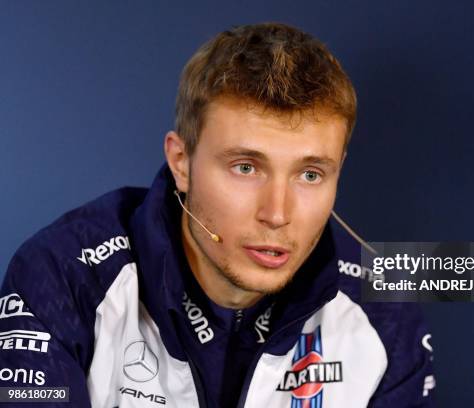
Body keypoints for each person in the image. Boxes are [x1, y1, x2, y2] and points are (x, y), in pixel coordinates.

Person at [0, 23, 434, 407]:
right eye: (245, 167)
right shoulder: (62, 277)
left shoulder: (384, 308)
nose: (277, 214)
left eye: (310, 174)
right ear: (181, 161)